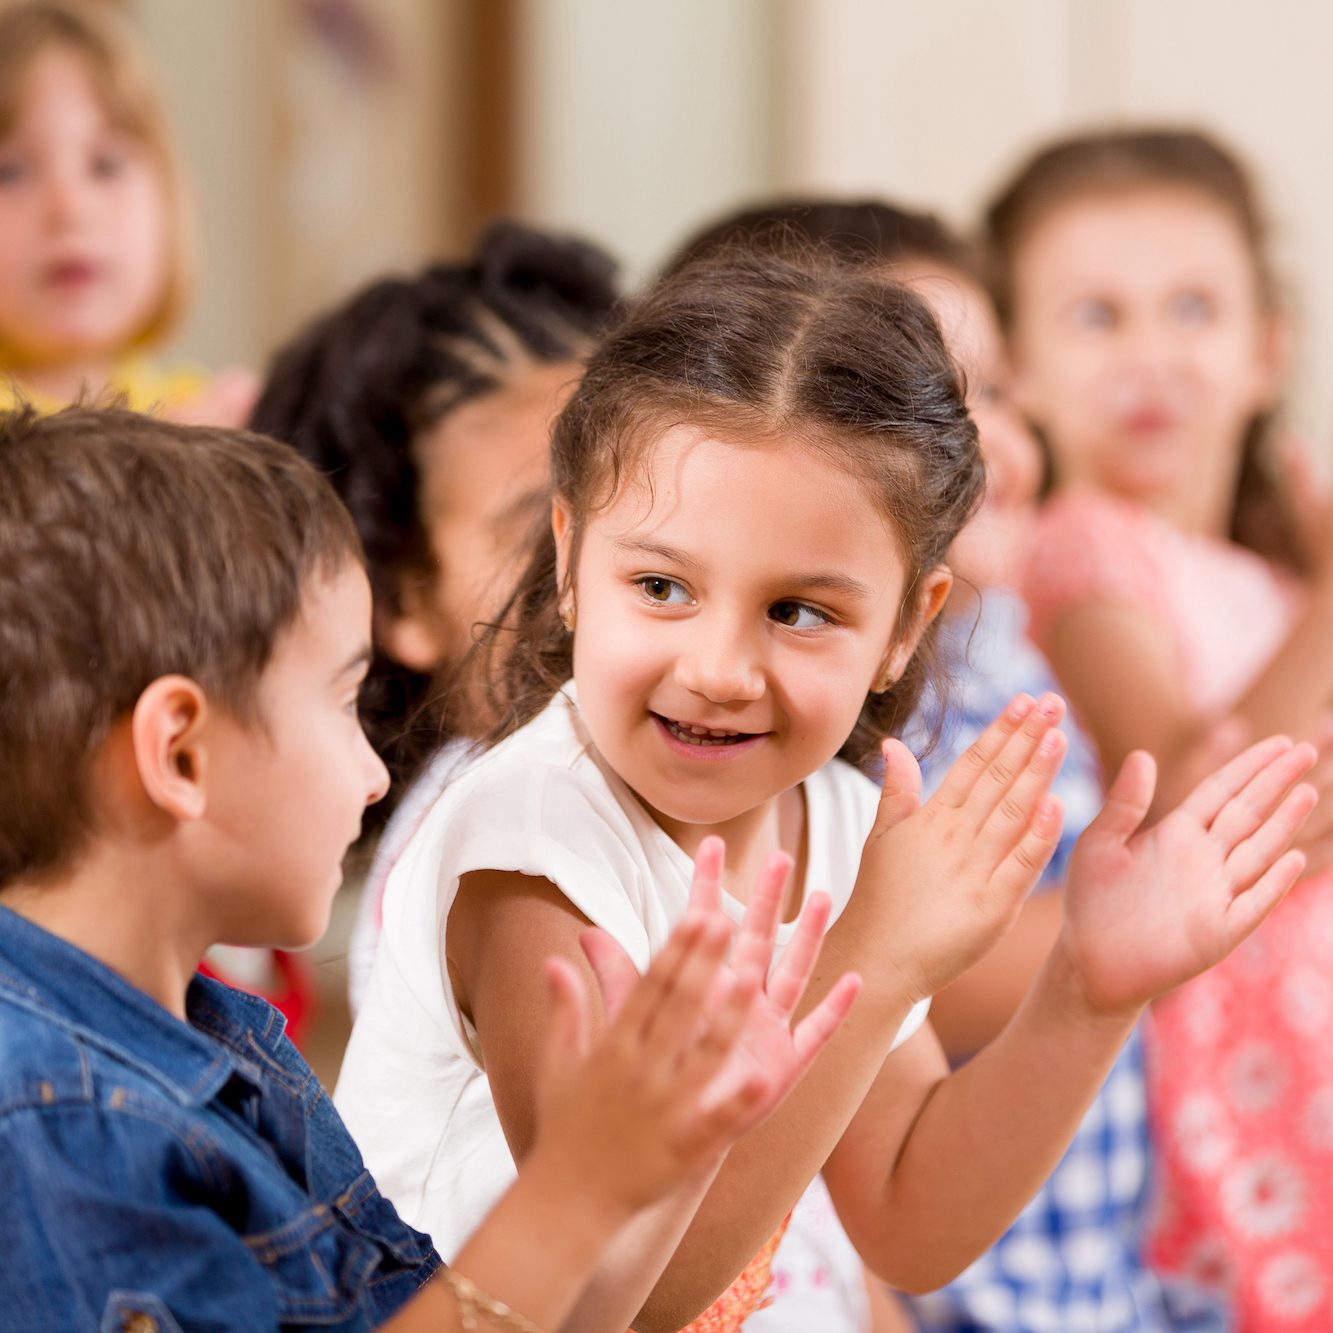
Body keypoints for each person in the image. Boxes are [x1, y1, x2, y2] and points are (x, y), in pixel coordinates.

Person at [334, 249, 1316, 1333]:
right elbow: (616, 1297)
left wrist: (1088, 989)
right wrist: (875, 956)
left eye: (799, 611)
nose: (717, 666)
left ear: (905, 625)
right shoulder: (531, 849)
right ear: (570, 558)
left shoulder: (840, 818)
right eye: (660, 586)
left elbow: (909, 1219)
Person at [0, 404, 861, 1332]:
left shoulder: (220, 1039)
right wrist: (573, 1190)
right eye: (342, 702)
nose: (376, 776)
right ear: (180, 754)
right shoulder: (60, 1122)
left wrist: (653, 1161)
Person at [991, 126, 1333, 1330]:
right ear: (1015, 362)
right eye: (1096, 317)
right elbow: (1210, 798)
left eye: (1192, 308)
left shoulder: (1271, 588)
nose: (1149, 356)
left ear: (1265, 349)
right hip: (1240, 1102)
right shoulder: (1080, 547)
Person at [249, 220, 621, 1008]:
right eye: (536, 524)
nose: (618, 559)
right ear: (399, 596)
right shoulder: (500, 838)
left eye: (634, 498)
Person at [0, 1, 255, 422]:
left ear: (171, 207)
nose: (69, 209)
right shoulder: (185, 424)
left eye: (106, 166)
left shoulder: (196, 404)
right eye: (10, 173)